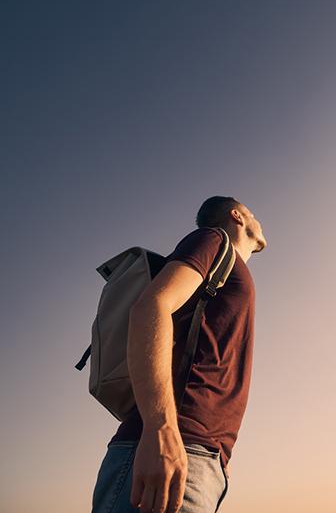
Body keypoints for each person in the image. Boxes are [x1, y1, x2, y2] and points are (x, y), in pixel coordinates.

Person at [92, 196, 266, 513]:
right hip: (176, 447)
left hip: (200, 456)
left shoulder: (233, 267)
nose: (259, 219)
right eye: (253, 213)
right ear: (237, 215)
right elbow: (150, 307)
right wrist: (161, 429)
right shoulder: (213, 239)